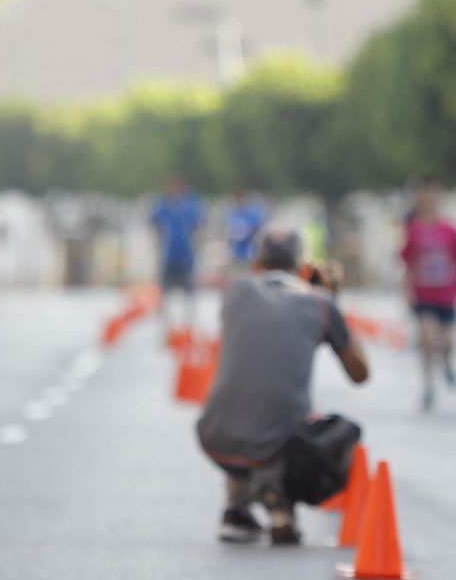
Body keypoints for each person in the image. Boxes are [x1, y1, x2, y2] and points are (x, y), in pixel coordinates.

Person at [195, 229, 369, 545]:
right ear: (303, 266)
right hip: (277, 444)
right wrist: (333, 304)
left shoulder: (234, 292)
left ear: (256, 262)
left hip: (214, 434)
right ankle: (276, 493)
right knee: (343, 431)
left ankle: (236, 508)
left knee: (248, 408)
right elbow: (360, 373)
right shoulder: (320, 304)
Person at [399, 182, 456, 412]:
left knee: (447, 343)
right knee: (427, 339)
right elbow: (407, 263)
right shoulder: (413, 230)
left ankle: (448, 363)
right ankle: (428, 386)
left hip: (447, 294)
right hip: (423, 295)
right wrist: (406, 292)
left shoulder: (450, 230)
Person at [151, 174, 204, 336]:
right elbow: (154, 224)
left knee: (189, 294)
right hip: (168, 255)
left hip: (186, 255)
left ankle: (188, 328)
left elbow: (198, 226)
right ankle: (167, 330)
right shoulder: (162, 204)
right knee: (165, 293)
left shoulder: (190, 205)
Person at [223, 187, 269, 278]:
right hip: (236, 253)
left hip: (250, 254)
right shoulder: (232, 213)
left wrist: (246, 233)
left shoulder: (253, 213)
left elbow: (259, 230)